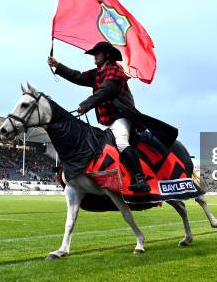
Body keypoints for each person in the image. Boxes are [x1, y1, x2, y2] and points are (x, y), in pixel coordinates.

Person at [48, 41, 151, 192]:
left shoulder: (115, 72)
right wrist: (58, 65)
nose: (94, 57)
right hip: (104, 121)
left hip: (120, 118)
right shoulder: (97, 73)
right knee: (88, 141)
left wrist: (85, 105)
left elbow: (105, 91)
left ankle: (141, 179)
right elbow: (78, 77)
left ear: (107, 55)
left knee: (121, 142)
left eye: (97, 54)